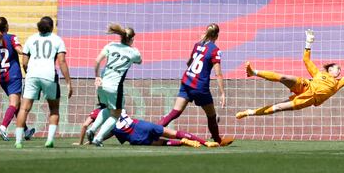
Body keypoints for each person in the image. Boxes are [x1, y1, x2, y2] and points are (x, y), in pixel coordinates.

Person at [236, 29, 344, 119]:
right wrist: (308, 43)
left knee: (278, 107)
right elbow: (306, 60)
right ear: (330, 69)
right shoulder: (318, 74)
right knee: (284, 77)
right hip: (306, 86)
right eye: (337, 68)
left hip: (308, 99)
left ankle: (249, 112)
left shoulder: (337, 84)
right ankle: (253, 72)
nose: (339, 71)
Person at [158, 23, 233, 147]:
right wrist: (223, 93)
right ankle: (217, 140)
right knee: (211, 115)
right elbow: (218, 73)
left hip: (186, 81)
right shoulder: (215, 50)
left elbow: (189, 62)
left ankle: (152, 130)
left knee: (175, 112)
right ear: (217, 36)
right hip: (199, 86)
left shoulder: (197, 45)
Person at [14, 16, 73, 148]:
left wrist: (29, 73)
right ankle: (49, 139)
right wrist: (68, 82)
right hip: (49, 76)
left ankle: (18, 141)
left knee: (24, 108)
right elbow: (62, 61)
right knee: (53, 108)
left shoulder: (31, 39)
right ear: (52, 27)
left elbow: (24, 61)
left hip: (32, 75)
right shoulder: (57, 40)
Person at [86, 23, 142, 147]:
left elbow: (97, 61)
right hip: (115, 86)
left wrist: (97, 77)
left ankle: (92, 129)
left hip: (101, 83)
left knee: (107, 108)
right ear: (132, 38)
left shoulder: (111, 45)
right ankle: (98, 138)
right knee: (116, 113)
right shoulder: (134, 52)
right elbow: (139, 61)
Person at [0, 17, 35, 141]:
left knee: (17, 105)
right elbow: (19, 50)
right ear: (7, 27)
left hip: (2, 77)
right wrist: (31, 52)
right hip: (13, 75)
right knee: (14, 104)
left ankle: (26, 131)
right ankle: (3, 127)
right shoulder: (12, 37)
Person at [74, 107, 220, 147]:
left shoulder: (99, 113)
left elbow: (86, 125)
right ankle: (204, 142)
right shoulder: (119, 108)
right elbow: (112, 129)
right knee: (174, 132)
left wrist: (86, 141)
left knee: (163, 143)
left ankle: (183, 143)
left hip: (134, 136)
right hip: (141, 125)